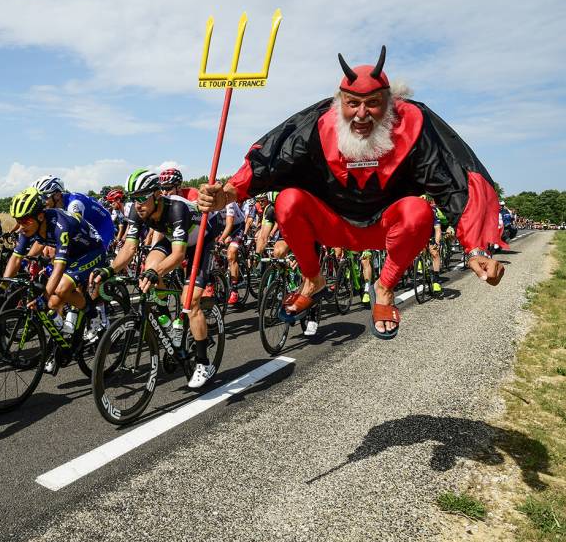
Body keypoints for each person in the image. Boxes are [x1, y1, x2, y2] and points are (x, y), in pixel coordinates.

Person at [198, 45, 504, 339]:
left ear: (389, 101)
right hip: (332, 226)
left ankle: (384, 289)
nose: (361, 114)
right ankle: (312, 279)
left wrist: (476, 248)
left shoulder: (413, 122)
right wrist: (226, 194)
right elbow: (270, 159)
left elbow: (455, 178)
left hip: (384, 227)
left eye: (372, 103)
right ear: (339, 102)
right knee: (288, 200)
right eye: (352, 103)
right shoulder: (318, 124)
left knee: (418, 210)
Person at [92, 169, 223, 388]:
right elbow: (130, 248)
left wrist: (156, 273)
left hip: (201, 241)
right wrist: (109, 270)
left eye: (142, 197)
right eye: (133, 199)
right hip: (175, 240)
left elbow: (179, 255)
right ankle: (165, 317)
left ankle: (203, 363)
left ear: (157, 195)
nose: (138, 204)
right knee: (148, 266)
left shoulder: (177, 208)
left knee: (190, 302)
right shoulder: (137, 211)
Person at [0, 188, 106, 371]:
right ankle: (61, 341)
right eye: (18, 221)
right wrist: (3, 285)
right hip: (71, 253)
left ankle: (91, 313)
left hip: (91, 251)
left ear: (40, 217)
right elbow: (16, 258)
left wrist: (43, 298)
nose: (21, 226)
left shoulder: (60, 224)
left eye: (25, 221)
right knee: (54, 301)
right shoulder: (28, 227)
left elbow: (60, 267)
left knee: (58, 291)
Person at [33, 175, 116, 251]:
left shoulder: (74, 204)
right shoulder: (53, 207)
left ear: (57, 195)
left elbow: (74, 231)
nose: (42, 202)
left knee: (98, 254)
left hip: (103, 225)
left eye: (44, 197)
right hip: (89, 224)